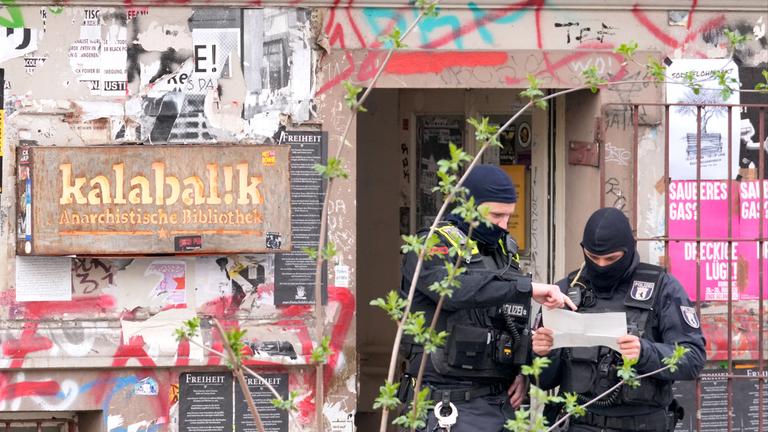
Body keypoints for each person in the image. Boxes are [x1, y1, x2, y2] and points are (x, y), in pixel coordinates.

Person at [398, 164, 575, 432]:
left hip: (500, 405)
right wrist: (527, 287)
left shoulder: (503, 252)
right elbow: (455, 291)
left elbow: (506, 325)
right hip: (448, 405)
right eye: (496, 216)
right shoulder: (430, 245)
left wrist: (523, 365)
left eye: (508, 217)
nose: (503, 226)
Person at [533, 207, 706, 432]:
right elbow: (543, 381)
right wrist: (543, 352)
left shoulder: (663, 288)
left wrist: (645, 353)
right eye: (593, 258)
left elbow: (693, 359)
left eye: (612, 258)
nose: (602, 265)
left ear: (629, 249)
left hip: (642, 423)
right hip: (578, 423)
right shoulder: (565, 291)